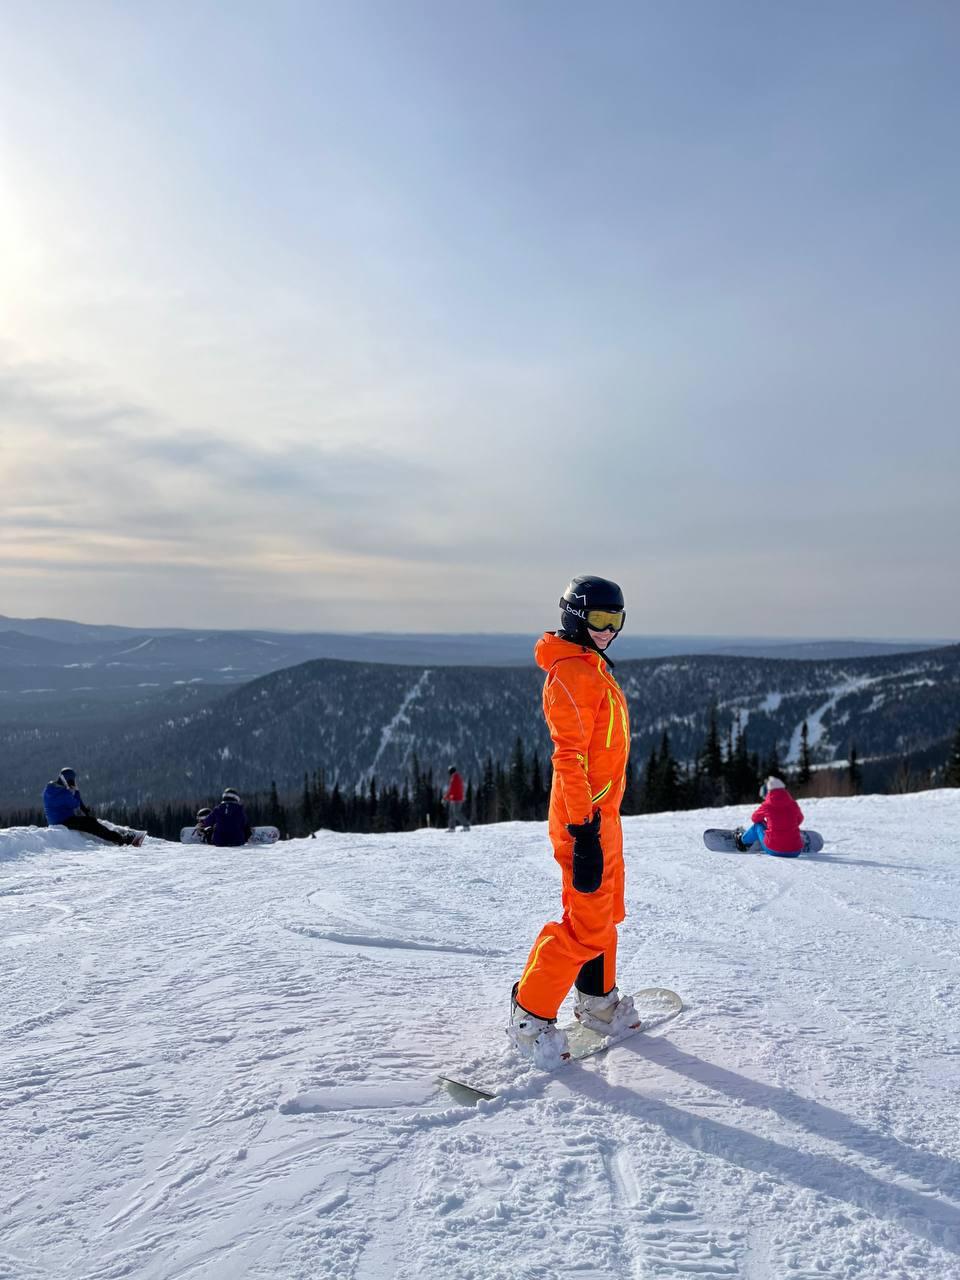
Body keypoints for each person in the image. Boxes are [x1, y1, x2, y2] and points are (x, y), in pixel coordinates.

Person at [508, 575, 637, 1069]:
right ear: (576, 618)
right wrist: (583, 831)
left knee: (606, 915)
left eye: (616, 621)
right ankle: (529, 1015)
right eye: (600, 621)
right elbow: (569, 759)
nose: (608, 631)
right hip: (583, 820)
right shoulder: (569, 674)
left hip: (604, 815)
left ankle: (597, 1003)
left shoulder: (591, 666)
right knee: (584, 924)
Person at [42, 767, 145, 847]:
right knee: (92, 824)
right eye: (71, 781)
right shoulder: (64, 794)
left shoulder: (49, 788)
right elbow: (76, 804)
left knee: (91, 822)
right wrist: (76, 790)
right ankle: (122, 840)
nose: (72, 783)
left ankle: (117, 834)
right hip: (64, 821)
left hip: (55, 820)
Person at [735, 776, 804, 857]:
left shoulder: (767, 805)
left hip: (774, 849)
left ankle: (742, 842)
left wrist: (769, 825)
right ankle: (794, 841)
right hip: (795, 851)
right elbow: (799, 819)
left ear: (769, 790)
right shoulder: (793, 804)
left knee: (758, 825)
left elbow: (755, 818)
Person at [443, 765, 470, 832]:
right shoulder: (456, 777)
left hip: (456, 799)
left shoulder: (454, 778)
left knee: (457, 813)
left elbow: (452, 789)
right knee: (452, 813)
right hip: (455, 798)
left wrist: (446, 797)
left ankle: (466, 826)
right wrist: (448, 797)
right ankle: (452, 828)